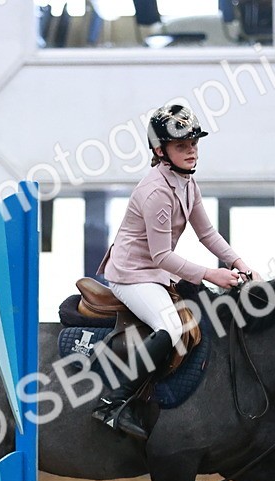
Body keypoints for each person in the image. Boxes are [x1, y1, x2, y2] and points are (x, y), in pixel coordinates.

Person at [92, 103, 252, 440]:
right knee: (174, 327)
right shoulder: (155, 192)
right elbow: (162, 255)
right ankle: (112, 402)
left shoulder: (187, 183)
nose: (192, 151)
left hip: (156, 272)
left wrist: (238, 263)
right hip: (131, 275)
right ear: (160, 150)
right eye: (182, 145)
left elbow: (207, 234)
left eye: (194, 143)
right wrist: (212, 274)